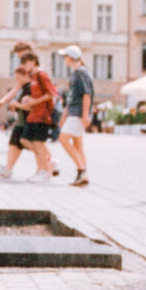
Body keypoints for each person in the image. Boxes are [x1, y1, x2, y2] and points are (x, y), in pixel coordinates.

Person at [0, 42, 57, 176]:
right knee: (20, 140)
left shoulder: (37, 72)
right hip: (28, 111)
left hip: (34, 111)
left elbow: (49, 93)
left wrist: (31, 101)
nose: (20, 58)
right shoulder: (27, 69)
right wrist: (4, 100)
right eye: (19, 55)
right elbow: (16, 87)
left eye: (22, 54)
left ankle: (45, 165)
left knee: (34, 141)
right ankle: (10, 168)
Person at [18, 52, 57, 183]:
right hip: (34, 114)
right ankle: (45, 164)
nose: (24, 66)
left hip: (42, 115)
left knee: (38, 143)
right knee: (26, 140)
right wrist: (29, 98)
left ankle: (44, 170)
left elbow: (50, 94)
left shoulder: (41, 75)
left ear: (33, 61)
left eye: (25, 63)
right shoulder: (33, 76)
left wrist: (33, 102)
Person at [57, 45, 93, 187]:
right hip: (75, 112)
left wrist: (85, 114)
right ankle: (83, 174)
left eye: (65, 57)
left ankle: (81, 169)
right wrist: (65, 114)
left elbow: (86, 94)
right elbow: (73, 97)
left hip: (78, 113)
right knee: (78, 144)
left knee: (63, 138)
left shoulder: (80, 73)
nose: (64, 59)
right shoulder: (78, 73)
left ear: (70, 58)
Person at [0, 66, 33, 179]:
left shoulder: (30, 88)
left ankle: (49, 160)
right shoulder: (23, 86)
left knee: (32, 144)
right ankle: (8, 168)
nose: (17, 81)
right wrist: (3, 101)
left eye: (19, 78)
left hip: (27, 119)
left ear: (26, 76)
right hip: (21, 119)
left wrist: (16, 105)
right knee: (14, 143)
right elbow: (14, 91)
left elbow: (30, 107)